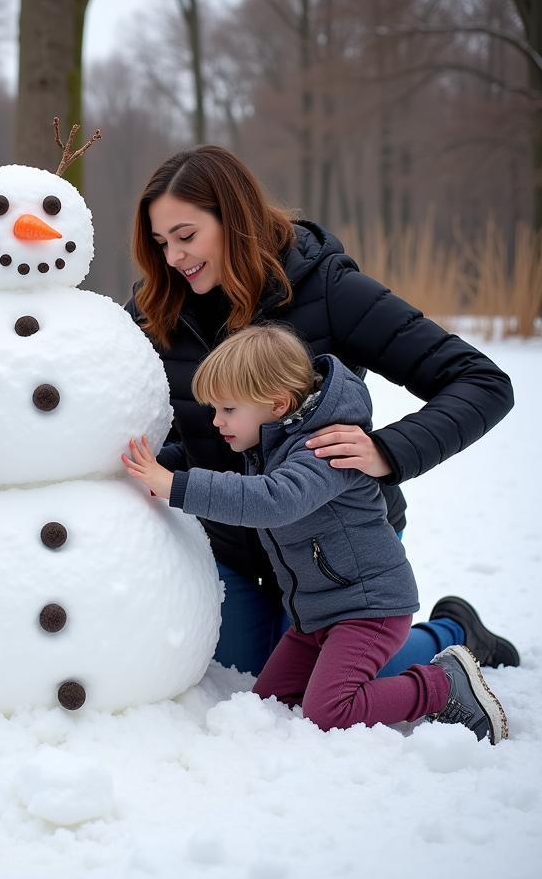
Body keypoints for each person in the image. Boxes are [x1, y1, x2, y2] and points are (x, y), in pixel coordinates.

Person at [127, 146, 518, 677]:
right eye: (161, 242)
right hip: (232, 546)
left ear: (234, 220)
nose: (173, 257)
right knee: (236, 674)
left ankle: (453, 634)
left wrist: (388, 450)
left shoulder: (328, 290)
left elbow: (481, 382)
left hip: (336, 550)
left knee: (328, 681)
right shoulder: (155, 312)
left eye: (186, 236)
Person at [123, 325, 508, 742]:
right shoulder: (271, 441)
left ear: (279, 403)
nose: (217, 422)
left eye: (228, 410)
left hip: (368, 609)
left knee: (330, 712)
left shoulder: (324, 449)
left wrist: (175, 486)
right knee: (269, 702)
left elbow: (273, 500)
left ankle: (442, 687)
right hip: (316, 616)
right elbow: (217, 465)